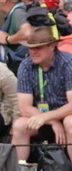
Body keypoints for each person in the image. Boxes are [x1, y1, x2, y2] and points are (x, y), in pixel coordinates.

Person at [12, 26, 72, 163]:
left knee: (71, 122)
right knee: (19, 125)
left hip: (64, 115)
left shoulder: (68, 63)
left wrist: (48, 117)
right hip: (41, 117)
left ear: (52, 46)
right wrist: (51, 120)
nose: (32, 52)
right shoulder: (26, 66)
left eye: (38, 47)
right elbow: (24, 107)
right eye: (30, 47)